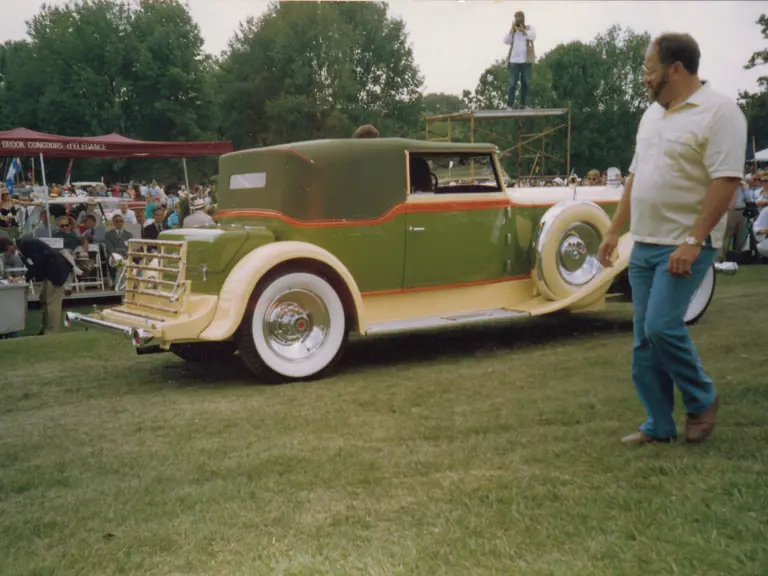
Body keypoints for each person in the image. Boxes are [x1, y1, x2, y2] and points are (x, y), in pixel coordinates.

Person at [597, 33, 747, 445]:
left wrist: (694, 240)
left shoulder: (720, 113)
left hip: (685, 245)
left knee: (662, 326)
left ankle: (702, 398)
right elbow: (634, 178)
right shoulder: (651, 116)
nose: (645, 77)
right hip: (643, 243)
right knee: (644, 341)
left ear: (674, 69)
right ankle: (658, 424)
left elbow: (726, 180)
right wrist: (614, 230)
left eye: (649, 69)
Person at [1, 236, 74, 335]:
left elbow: (38, 263)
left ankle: (52, 331)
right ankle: (45, 328)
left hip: (56, 272)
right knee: (43, 299)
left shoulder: (26, 243)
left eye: (6, 252)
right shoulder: (21, 248)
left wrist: (24, 277)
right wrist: (22, 278)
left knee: (52, 304)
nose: (8, 255)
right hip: (48, 274)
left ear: (9, 246)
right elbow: (33, 265)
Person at [503, 11, 536, 109]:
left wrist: (523, 31)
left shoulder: (530, 28)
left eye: (520, 18)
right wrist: (512, 30)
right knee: (512, 83)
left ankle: (523, 105)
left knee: (525, 83)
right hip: (514, 61)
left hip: (526, 61)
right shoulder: (513, 31)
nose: (518, 21)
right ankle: (509, 105)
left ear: (523, 19)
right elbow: (505, 41)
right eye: (516, 18)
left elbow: (533, 36)